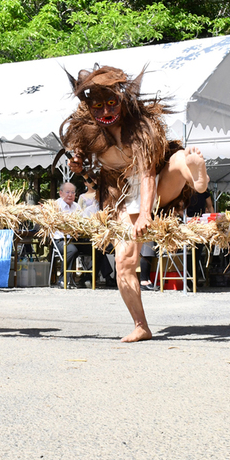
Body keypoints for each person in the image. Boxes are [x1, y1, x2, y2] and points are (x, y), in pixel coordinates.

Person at [61, 65, 209, 341]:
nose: (105, 111)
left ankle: (197, 179)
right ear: (89, 107)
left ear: (121, 100)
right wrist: (78, 164)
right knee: (124, 262)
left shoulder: (141, 127)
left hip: (157, 188)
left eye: (111, 104)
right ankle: (141, 324)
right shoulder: (88, 132)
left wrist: (145, 214)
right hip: (123, 196)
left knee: (178, 160)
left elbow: (148, 173)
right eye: (98, 106)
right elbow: (82, 161)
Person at [51, 182, 83, 288]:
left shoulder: (77, 207)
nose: (70, 195)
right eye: (67, 192)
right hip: (60, 239)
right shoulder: (55, 206)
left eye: (73, 192)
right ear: (61, 193)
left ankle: (87, 279)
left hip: (75, 238)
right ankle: (63, 280)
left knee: (97, 248)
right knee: (71, 250)